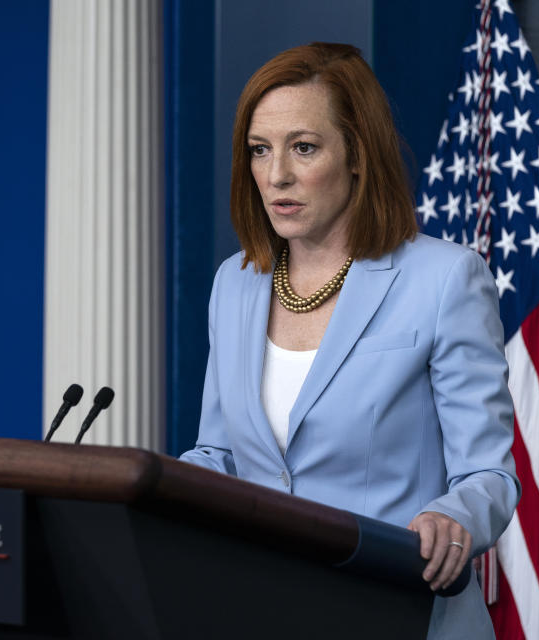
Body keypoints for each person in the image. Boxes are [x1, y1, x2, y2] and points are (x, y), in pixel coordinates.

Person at [179, 43, 519, 639]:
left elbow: (487, 474)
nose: (276, 174)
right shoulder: (234, 283)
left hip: (400, 612)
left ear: (358, 155)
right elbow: (219, 456)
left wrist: (450, 516)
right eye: (260, 151)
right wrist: (161, 491)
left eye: (303, 148)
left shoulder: (444, 278)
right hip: (263, 610)